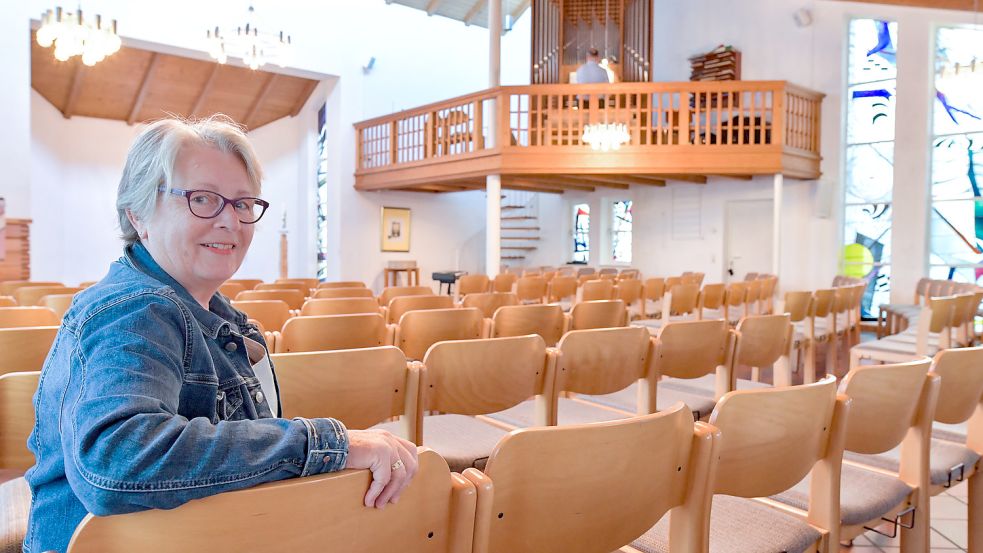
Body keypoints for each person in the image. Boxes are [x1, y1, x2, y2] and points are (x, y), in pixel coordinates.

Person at [23, 116, 419, 553]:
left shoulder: (214, 312)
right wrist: (329, 444)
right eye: (203, 199)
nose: (231, 221)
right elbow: (117, 462)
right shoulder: (134, 310)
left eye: (243, 203)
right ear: (139, 214)